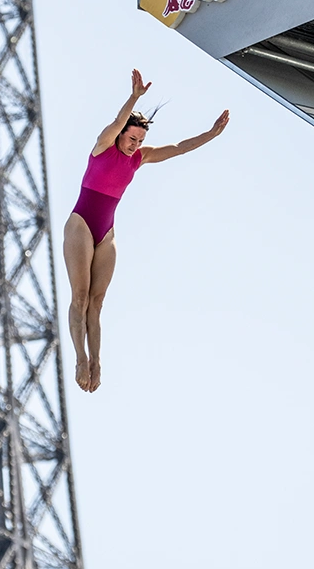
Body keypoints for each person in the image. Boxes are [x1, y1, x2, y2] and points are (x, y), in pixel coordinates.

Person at [63, 69, 229, 392]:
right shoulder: (103, 146)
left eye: (139, 141)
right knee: (80, 298)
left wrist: (211, 134)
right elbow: (115, 121)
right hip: (81, 223)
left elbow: (179, 147)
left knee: (97, 303)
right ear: (120, 135)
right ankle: (80, 357)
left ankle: (97, 360)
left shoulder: (139, 158)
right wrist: (135, 97)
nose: (135, 145)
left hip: (106, 232)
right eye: (131, 139)